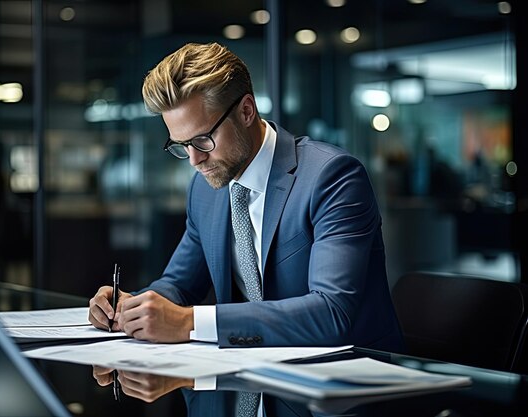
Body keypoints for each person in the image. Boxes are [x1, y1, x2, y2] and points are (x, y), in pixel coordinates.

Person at [88, 42, 403, 352]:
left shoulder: (331, 177)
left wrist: (190, 323)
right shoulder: (205, 188)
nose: (195, 160)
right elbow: (179, 285)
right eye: (182, 145)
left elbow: (332, 313)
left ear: (246, 111)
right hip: (249, 377)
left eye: (202, 139)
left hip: (347, 381)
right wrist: (133, 308)